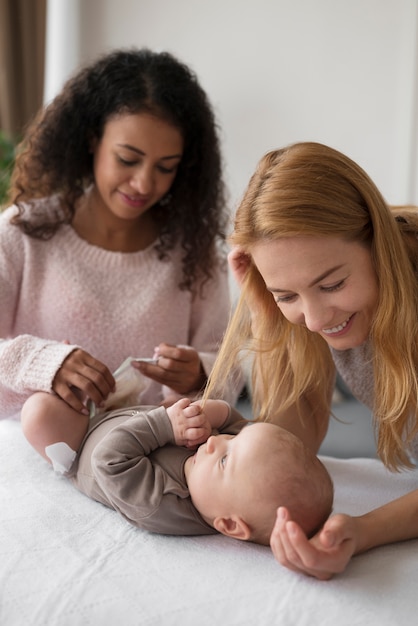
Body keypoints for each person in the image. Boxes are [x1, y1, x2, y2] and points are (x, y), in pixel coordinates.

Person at [204, 141, 418, 578]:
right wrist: (269, 314)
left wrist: (363, 531)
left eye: (333, 284)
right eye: (288, 294)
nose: (316, 319)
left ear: (378, 245)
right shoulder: (310, 307)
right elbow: (293, 440)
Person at [0, 47, 241, 421]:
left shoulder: (195, 252)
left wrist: (199, 373)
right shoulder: (24, 232)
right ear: (92, 139)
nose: (144, 183)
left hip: (144, 460)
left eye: (166, 167)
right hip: (31, 455)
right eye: (127, 159)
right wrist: (42, 362)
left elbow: (228, 372)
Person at [20, 390, 333, 546]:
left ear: (230, 526)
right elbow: (236, 423)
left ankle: (58, 458)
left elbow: (108, 460)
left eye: (224, 459)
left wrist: (165, 425)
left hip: (81, 443)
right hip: (130, 411)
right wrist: (209, 414)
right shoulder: (221, 484)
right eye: (230, 441)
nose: (214, 444)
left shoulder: (163, 503)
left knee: (40, 412)